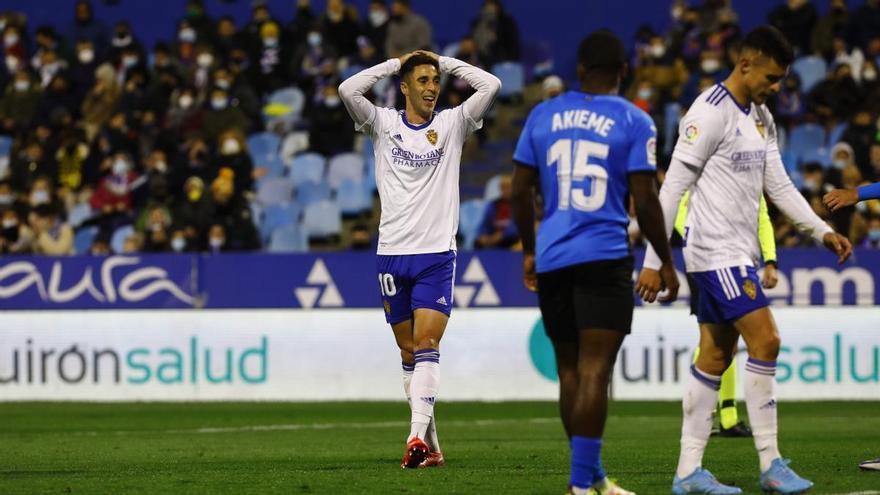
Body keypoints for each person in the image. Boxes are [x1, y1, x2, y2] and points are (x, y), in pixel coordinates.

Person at [636, 26, 852, 494]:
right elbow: (671, 189)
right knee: (767, 340)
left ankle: (687, 473)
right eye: (771, 78)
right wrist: (654, 258)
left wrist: (821, 230)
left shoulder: (760, 117)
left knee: (714, 355)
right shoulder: (707, 114)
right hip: (713, 254)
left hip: (738, 255)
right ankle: (771, 464)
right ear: (745, 64)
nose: (776, 88)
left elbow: (779, 186)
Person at [511, 30, 678, 495]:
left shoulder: (543, 115)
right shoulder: (634, 120)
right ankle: (581, 485)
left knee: (569, 371)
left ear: (580, 71)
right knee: (595, 372)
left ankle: (593, 477)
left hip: (553, 256)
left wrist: (529, 248)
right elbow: (644, 199)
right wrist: (664, 260)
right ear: (623, 72)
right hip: (603, 256)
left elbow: (519, 193)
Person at [339, 49, 500, 468]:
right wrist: (396, 64)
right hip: (391, 254)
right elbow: (347, 89)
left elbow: (491, 85)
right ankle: (434, 448)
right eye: (423, 81)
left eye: (435, 81)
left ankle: (413, 437)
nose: (432, 88)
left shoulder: (453, 123)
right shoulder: (383, 123)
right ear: (405, 88)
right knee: (409, 354)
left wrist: (443, 61)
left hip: (435, 255)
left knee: (427, 344)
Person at [678, 192, 779, 438]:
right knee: (715, 340)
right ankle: (707, 414)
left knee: (726, 339)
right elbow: (679, 210)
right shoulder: (704, 168)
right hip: (706, 263)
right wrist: (700, 242)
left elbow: (762, 217)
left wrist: (770, 258)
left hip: (739, 263)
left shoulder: (751, 170)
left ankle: (725, 415)